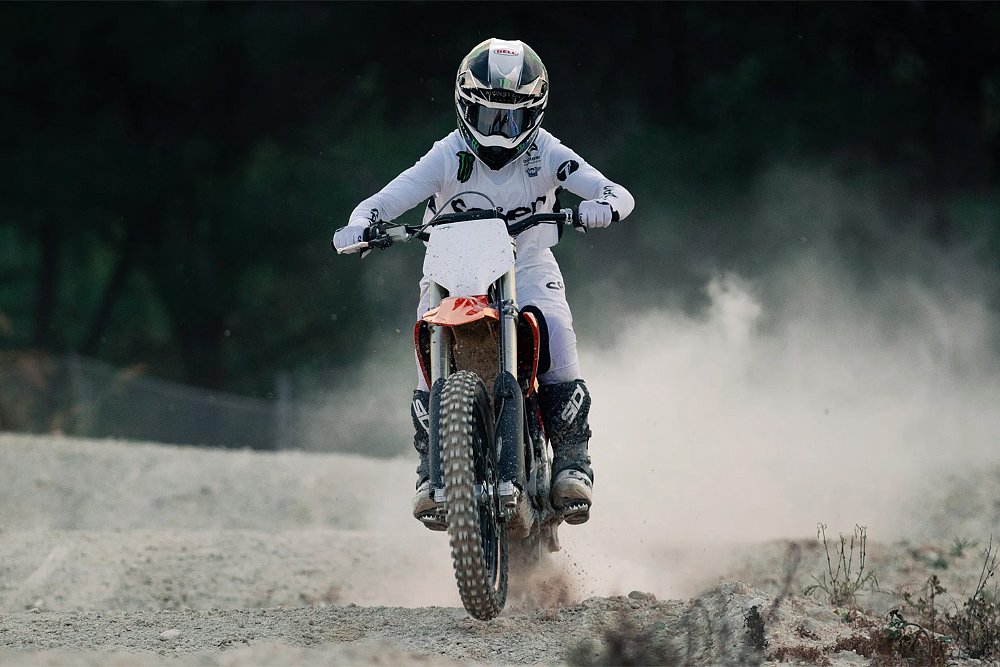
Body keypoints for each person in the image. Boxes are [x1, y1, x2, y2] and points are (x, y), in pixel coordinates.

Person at [333, 38, 634, 527]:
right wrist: (361, 224)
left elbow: (615, 192)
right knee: (425, 344)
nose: (499, 131)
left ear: (533, 113)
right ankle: (433, 470)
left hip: (528, 265)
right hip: (451, 270)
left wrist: (602, 207)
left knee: (555, 328)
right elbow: (385, 201)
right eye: (488, 116)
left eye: (511, 119)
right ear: (463, 107)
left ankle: (573, 461)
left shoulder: (548, 153)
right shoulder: (446, 155)